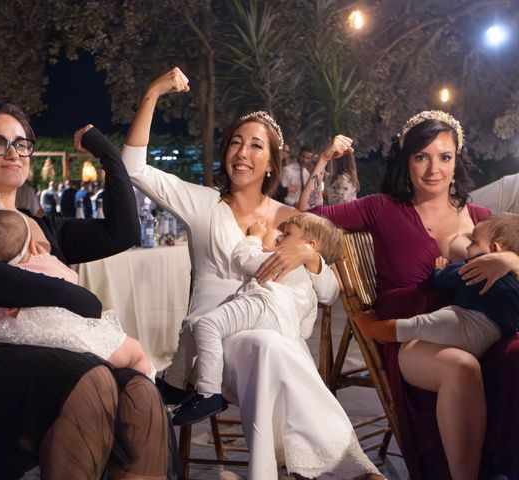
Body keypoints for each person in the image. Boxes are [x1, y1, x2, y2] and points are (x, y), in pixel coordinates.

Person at [117, 67, 382, 480]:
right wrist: (153, 92)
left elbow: (329, 293)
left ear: (272, 162)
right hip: (214, 349)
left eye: (256, 146)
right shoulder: (203, 204)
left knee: (266, 346)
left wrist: (308, 257)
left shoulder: (293, 219)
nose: (243, 153)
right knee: (268, 349)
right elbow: (133, 167)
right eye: (236, 143)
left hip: (272, 339)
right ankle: (348, 464)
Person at [0, 103, 168, 479]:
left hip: (38, 352)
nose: (12, 152)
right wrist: (73, 296)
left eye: (22, 144)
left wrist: (106, 152)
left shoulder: (46, 228)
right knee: (91, 376)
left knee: (140, 392)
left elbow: (124, 233)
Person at [283, 109, 519, 478]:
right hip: (410, 337)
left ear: (457, 160)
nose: (433, 169)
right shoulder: (382, 208)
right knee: (461, 366)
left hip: (476, 328)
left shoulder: (481, 218)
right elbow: (307, 215)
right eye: (421, 157)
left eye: (444, 157)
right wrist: (324, 160)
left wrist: (508, 260)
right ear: (406, 160)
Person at [167, 212, 343, 427]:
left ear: (309, 244)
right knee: (194, 326)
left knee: (207, 324)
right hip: (275, 317)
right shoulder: (308, 278)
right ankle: (173, 384)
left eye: (287, 234)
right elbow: (322, 302)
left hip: (266, 305)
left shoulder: (280, 260)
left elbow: (242, 258)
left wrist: (255, 236)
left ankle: (208, 393)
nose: (279, 237)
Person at [0, 207, 156, 381]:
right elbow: (71, 280)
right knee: (134, 353)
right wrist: (45, 258)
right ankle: (140, 397)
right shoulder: (43, 263)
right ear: (31, 245)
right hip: (69, 335)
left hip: (28, 349)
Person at [353, 213, 519, 359]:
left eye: (473, 242)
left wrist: (440, 270)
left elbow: (441, 280)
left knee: (417, 325)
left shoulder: (479, 266)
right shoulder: (514, 279)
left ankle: (372, 329)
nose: (467, 247)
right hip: (490, 339)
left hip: (466, 322)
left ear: (494, 249)